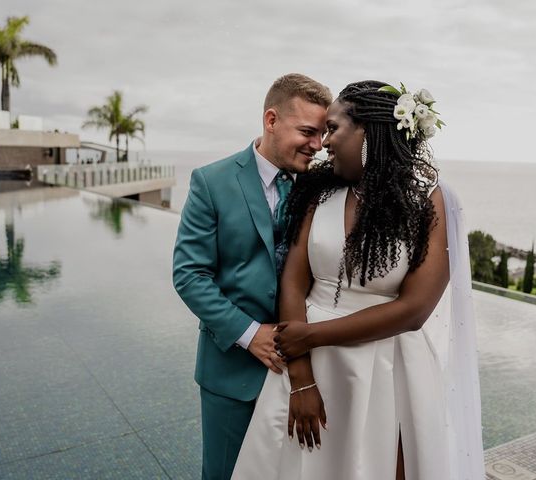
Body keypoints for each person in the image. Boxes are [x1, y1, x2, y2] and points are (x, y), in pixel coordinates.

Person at [232, 81, 485, 479]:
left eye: (333, 129)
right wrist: (301, 381)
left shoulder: (428, 201)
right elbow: (294, 283)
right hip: (307, 364)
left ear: (366, 130)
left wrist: (311, 335)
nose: (324, 142)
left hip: (388, 365)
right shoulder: (317, 191)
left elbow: (414, 310)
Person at [172, 73, 332, 480]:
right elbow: (190, 275)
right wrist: (249, 333)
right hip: (231, 372)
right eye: (308, 132)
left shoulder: (319, 189)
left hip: (305, 370)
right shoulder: (211, 181)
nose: (318, 145)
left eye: (324, 133)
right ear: (272, 120)